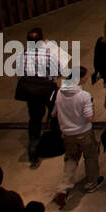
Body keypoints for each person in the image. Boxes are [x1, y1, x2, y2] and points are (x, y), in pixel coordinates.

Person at [51, 73, 102, 208]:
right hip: (83, 132)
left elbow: (53, 113)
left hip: (67, 134)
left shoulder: (59, 93)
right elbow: (89, 118)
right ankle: (91, 183)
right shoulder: (83, 95)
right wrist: (93, 108)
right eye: (84, 76)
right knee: (90, 157)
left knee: (71, 159)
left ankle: (63, 188)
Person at [17, 26, 63, 169]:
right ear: (42, 40)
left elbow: (19, 72)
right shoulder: (48, 55)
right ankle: (56, 142)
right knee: (55, 114)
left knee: (35, 120)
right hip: (46, 90)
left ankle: (33, 152)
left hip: (31, 93)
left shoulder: (22, 55)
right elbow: (59, 71)